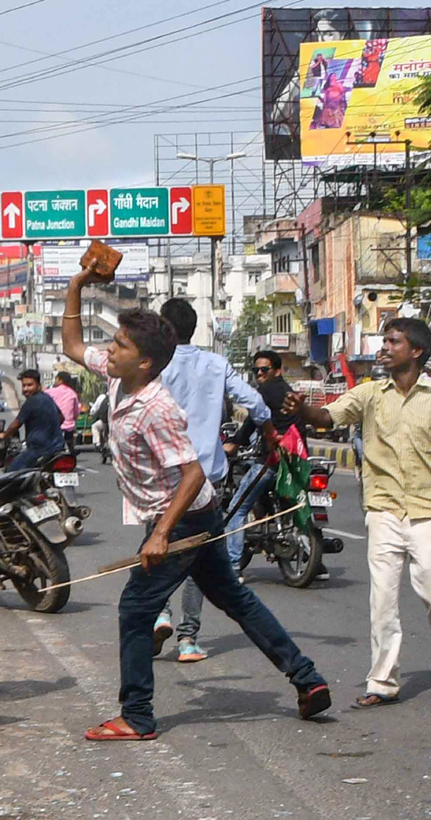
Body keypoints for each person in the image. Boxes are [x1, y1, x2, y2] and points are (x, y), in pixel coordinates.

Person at [61, 267, 330, 740]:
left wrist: (163, 533)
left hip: (182, 517)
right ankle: (307, 679)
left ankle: (138, 715)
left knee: (135, 608)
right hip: (191, 513)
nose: (110, 350)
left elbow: (193, 471)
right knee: (237, 600)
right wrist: (78, 286)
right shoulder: (119, 376)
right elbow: (72, 346)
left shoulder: (157, 408)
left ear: (145, 363)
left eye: (120, 345)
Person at [283, 318, 431, 709]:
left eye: (393, 341)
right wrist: (303, 409)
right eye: (384, 340)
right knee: (383, 600)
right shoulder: (370, 394)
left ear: (416, 351)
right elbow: (327, 418)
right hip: (384, 509)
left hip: (429, 510)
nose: (384, 347)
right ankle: (382, 681)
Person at [154, 298, 276, 663]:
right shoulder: (215, 363)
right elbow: (255, 402)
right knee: (198, 559)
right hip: (206, 477)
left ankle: (160, 612)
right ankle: (188, 639)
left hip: (164, 475)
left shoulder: (155, 365)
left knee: (157, 544)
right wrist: (269, 433)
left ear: (164, 328)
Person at [220, 349, 325, 579]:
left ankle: (233, 567)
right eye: (255, 370)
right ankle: (316, 564)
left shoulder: (266, 391)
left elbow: (252, 421)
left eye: (264, 369)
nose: (259, 374)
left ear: (277, 371)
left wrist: (235, 444)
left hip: (272, 461)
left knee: (236, 509)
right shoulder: (288, 392)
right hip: (296, 462)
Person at [0, 368, 66, 471]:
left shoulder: (31, 402)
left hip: (39, 449)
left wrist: (4, 435)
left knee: (12, 471)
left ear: (38, 385)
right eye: (24, 385)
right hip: (58, 448)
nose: (25, 389)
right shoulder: (47, 398)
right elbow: (61, 418)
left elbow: (16, 425)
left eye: (30, 385)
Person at [46, 371, 80, 453]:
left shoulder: (50, 392)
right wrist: (72, 420)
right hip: (68, 427)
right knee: (70, 442)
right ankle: (71, 450)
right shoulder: (72, 393)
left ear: (59, 380)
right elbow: (76, 412)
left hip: (52, 426)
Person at [89, 389, 110, 463]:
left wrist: (91, 413)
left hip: (104, 422)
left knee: (94, 426)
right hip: (115, 423)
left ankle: (97, 443)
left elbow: (94, 409)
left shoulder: (102, 397)